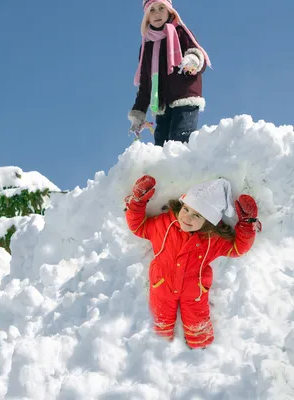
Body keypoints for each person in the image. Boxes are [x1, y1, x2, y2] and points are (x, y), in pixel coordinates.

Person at [125, 175, 262, 349]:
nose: (187, 218)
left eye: (197, 215)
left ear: (208, 222)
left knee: (199, 329)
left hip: (195, 293)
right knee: (159, 325)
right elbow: (138, 226)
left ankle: (201, 355)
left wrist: (247, 225)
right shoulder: (163, 225)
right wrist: (137, 202)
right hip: (162, 286)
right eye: (187, 209)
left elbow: (237, 248)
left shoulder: (212, 239)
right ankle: (159, 351)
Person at [128, 0, 211, 146]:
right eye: (152, 10)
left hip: (185, 97)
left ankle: (182, 167)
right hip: (162, 104)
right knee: (161, 144)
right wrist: (138, 113)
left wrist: (192, 60)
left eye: (161, 8)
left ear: (169, 11)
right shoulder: (147, 46)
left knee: (179, 140)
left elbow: (198, 55)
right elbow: (146, 84)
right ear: (146, 16)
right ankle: (162, 168)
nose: (157, 13)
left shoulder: (181, 32)